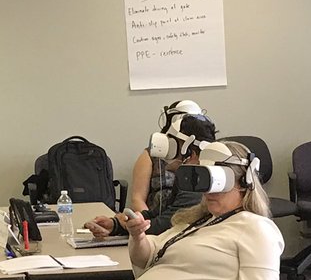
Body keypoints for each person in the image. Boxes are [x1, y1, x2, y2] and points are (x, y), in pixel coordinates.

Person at [0, 140, 283, 280]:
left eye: (219, 182)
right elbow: (148, 256)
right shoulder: (198, 221)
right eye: (203, 181)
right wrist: (138, 235)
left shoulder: (255, 228)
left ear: (244, 182)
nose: (209, 192)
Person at [85, 100, 218, 238]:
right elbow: (159, 213)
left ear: (190, 152)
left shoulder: (198, 179)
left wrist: (127, 226)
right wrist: (115, 225)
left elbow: (171, 223)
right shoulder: (185, 175)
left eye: (172, 144)